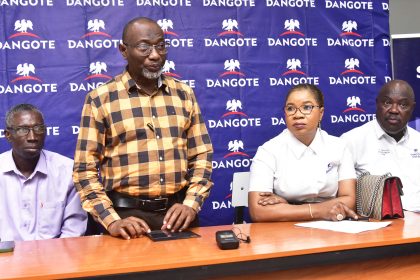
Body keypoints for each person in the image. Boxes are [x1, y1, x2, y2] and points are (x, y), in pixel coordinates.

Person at [73, 17, 213, 240]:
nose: (155, 55)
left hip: (179, 215)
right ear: (123, 50)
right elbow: (84, 170)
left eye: (160, 46)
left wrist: (191, 203)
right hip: (127, 220)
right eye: (144, 47)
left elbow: (201, 155)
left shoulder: (183, 94)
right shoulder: (101, 99)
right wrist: (112, 221)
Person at [248, 84, 358, 222]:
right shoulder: (268, 151)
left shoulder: (339, 146)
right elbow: (258, 212)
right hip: (284, 233)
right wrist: (320, 211)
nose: (298, 115)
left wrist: (287, 206)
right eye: (290, 109)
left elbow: (349, 200)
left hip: (332, 226)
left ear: (321, 113)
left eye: (307, 107)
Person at [0, 104, 87, 241]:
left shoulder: (66, 171)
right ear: (8, 135)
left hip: (54, 256)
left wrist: (52, 258)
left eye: (39, 129)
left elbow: (73, 229)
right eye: (23, 130)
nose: (33, 137)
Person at [341, 80, 420, 212]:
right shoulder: (352, 141)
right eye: (387, 102)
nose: (394, 110)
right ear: (377, 103)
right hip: (379, 222)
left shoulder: (418, 140)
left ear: (412, 108)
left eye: (403, 105)